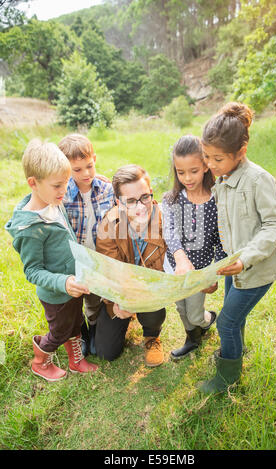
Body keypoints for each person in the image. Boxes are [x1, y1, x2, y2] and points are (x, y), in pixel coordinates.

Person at [198, 102, 276, 394]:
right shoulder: (223, 179)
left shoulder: (258, 180)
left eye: (217, 159)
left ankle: (228, 378)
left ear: (241, 152)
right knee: (233, 317)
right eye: (206, 157)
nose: (210, 165)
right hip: (233, 264)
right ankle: (237, 351)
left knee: (225, 322)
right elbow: (224, 227)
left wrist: (246, 259)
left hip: (257, 267)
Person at [5, 139, 98, 382]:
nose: (64, 191)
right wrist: (64, 282)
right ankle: (40, 361)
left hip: (72, 285)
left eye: (66, 183)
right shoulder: (31, 229)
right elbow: (33, 271)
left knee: (76, 323)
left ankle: (76, 360)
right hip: (56, 294)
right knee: (59, 332)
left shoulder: (53, 203)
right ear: (33, 184)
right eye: (58, 185)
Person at [162, 135, 227, 360]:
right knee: (181, 309)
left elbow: (221, 241)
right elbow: (169, 232)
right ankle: (192, 339)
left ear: (206, 167)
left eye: (194, 171)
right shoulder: (172, 199)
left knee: (196, 314)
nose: (187, 178)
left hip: (200, 272)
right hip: (175, 268)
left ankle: (209, 319)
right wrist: (180, 258)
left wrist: (214, 273)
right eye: (181, 172)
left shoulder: (217, 200)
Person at [95, 164, 167, 367]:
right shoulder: (109, 225)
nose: (141, 206)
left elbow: (165, 274)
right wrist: (118, 302)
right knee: (106, 352)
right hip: (121, 293)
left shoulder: (164, 222)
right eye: (131, 201)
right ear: (119, 202)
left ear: (151, 193)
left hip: (149, 291)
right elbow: (108, 273)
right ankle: (125, 320)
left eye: (145, 197)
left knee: (153, 311)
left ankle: (152, 336)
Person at [58, 134, 114, 356]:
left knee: (93, 298)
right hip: (73, 259)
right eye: (77, 170)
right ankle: (79, 332)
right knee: (74, 302)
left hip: (96, 258)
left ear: (95, 159)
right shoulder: (62, 195)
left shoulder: (106, 189)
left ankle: (94, 328)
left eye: (89, 166)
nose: (86, 174)